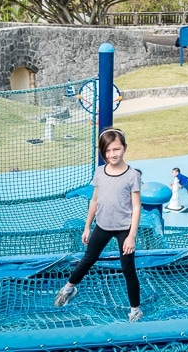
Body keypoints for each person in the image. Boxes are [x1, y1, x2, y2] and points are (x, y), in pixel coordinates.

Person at [53, 127, 143, 322]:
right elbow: (95, 200)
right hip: (102, 225)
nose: (113, 154)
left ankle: (135, 309)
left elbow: (136, 207)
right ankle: (69, 288)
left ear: (124, 148)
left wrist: (131, 236)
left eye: (116, 149)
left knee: (128, 269)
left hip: (124, 229)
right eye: (108, 151)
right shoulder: (100, 172)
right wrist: (87, 226)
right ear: (103, 153)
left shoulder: (132, 175)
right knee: (88, 259)